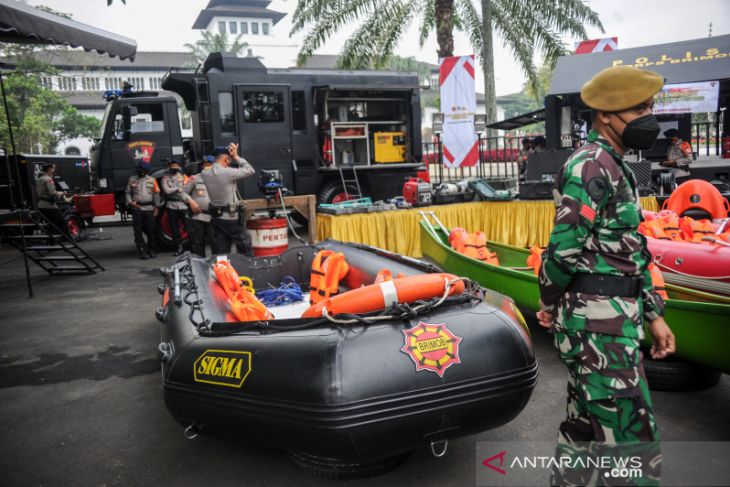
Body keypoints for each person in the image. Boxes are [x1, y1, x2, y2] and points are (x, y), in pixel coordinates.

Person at [536, 66, 675, 485]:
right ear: (606, 115)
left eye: (650, 106)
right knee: (632, 447)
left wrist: (653, 314)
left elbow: (631, 251)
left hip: (610, 322)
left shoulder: (615, 166)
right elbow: (562, 251)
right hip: (599, 330)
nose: (649, 117)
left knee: (583, 432)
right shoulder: (591, 166)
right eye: (639, 108)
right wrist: (548, 301)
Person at [201, 143, 255, 256]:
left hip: (217, 219)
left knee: (221, 253)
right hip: (233, 219)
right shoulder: (227, 172)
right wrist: (236, 156)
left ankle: (223, 273)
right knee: (246, 250)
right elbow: (250, 170)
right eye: (229, 159)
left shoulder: (205, 173)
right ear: (226, 158)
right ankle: (247, 272)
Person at [125, 160, 161, 259]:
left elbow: (156, 194)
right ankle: (141, 250)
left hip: (149, 209)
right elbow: (127, 192)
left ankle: (152, 250)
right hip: (137, 209)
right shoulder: (132, 179)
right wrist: (130, 202)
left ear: (147, 170)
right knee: (138, 231)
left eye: (143, 170)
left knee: (151, 231)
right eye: (140, 170)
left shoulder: (152, 180)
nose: (141, 172)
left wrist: (157, 208)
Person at [184, 155, 214, 257]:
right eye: (205, 164)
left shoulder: (219, 178)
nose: (206, 167)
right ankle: (199, 268)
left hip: (213, 217)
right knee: (197, 245)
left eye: (209, 164)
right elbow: (183, 193)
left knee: (217, 246)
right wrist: (191, 201)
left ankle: (218, 269)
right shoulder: (195, 178)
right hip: (197, 217)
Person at [161, 159, 192, 256]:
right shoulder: (165, 178)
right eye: (172, 166)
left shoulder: (184, 177)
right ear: (169, 167)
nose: (174, 168)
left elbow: (187, 190)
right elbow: (166, 191)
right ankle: (179, 247)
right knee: (174, 228)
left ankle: (190, 246)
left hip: (183, 205)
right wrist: (178, 189)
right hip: (171, 206)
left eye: (176, 166)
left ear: (178, 167)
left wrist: (175, 190)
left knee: (188, 227)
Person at [35, 164, 69, 233]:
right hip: (49, 206)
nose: (54, 171)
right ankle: (66, 239)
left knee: (50, 223)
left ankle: (52, 240)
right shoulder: (49, 179)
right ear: (50, 170)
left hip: (41, 206)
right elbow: (52, 193)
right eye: (53, 169)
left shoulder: (39, 179)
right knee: (62, 222)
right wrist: (62, 193)